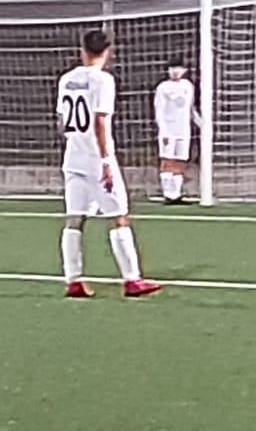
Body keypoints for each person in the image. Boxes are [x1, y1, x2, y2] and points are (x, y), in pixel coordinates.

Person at [56, 29, 162, 299]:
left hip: (73, 157)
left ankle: (73, 280)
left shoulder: (67, 79)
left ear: (82, 50)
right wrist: (105, 161)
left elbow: (62, 120)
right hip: (96, 159)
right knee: (119, 216)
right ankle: (132, 279)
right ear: (107, 52)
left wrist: (75, 142)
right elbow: (100, 121)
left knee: (74, 219)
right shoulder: (103, 80)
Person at [153, 59, 200, 205]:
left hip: (183, 130)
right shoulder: (163, 87)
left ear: (184, 70)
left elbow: (190, 107)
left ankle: (177, 193)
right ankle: (167, 193)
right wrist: (163, 129)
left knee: (181, 160)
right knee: (167, 159)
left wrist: (199, 122)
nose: (175, 71)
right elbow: (159, 109)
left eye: (178, 68)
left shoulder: (187, 86)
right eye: (172, 68)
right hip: (168, 130)